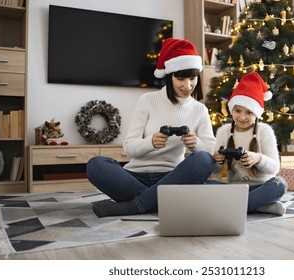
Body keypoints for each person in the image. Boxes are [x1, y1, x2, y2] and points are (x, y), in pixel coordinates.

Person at [87, 38, 216, 217]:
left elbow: (211, 155)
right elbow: (129, 148)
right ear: (170, 76)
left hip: (172, 177)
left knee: (203, 159)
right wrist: (151, 143)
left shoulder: (200, 110)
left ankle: (134, 206)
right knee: (96, 164)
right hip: (134, 176)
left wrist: (195, 144)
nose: (188, 86)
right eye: (180, 78)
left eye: (192, 78)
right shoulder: (147, 100)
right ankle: (156, 201)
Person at [212, 72, 288, 216]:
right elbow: (215, 171)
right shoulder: (224, 131)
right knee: (204, 185)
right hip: (234, 188)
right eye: (238, 110)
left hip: (261, 187)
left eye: (249, 112)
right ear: (231, 110)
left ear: (257, 113)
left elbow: (275, 168)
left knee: (280, 184)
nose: (242, 117)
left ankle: (235, 207)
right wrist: (217, 160)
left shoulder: (264, 131)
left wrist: (258, 158)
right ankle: (260, 206)